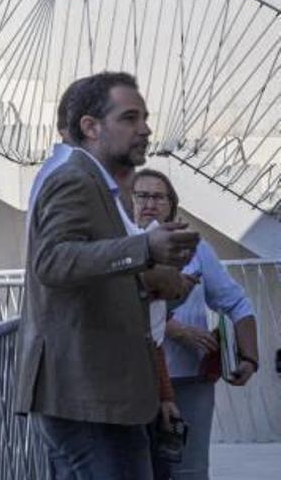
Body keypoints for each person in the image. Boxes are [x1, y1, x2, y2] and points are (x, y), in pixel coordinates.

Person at [15, 72, 201, 479]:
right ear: (90, 126)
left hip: (101, 395)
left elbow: (96, 267)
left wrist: (153, 270)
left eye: (145, 117)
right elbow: (52, 261)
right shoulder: (72, 177)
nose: (146, 129)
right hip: (87, 396)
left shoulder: (90, 180)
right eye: (130, 118)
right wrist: (145, 250)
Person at [133, 168, 259, 479]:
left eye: (158, 197)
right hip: (134, 384)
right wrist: (173, 327)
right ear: (127, 201)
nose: (149, 203)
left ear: (172, 205)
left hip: (191, 380)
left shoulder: (196, 249)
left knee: (189, 471)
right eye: (141, 195)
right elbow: (122, 307)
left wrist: (249, 358)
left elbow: (236, 302)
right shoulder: (121, 245)